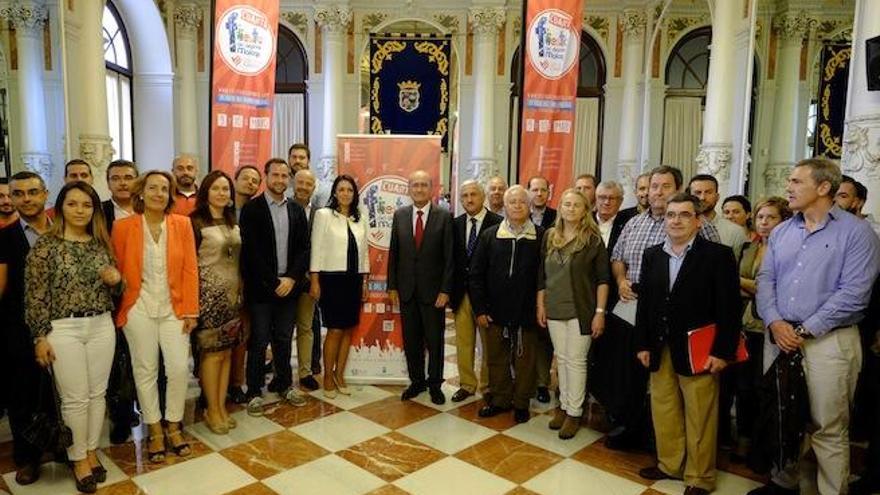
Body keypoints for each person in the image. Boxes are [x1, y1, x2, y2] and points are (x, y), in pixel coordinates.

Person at [751, 158, 880, 495]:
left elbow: (854, 294)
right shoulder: (781, 231)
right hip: (779, 337)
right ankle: (786, 485)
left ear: (823, 188)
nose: (788, 187)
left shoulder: (857, 233)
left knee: (827, 426)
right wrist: (776, 322)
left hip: (828, 341)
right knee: (785, 419)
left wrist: (803, 331)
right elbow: (766, 281)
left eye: (796, 181)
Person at [605, 165, 721, 451]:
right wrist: (620, 280)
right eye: (653, 186)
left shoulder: (697, 224)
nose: (657, 192)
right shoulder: (634, 222)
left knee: (682, 390)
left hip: (679, 319)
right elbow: (617, 256)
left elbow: (714, 275)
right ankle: (636, 431)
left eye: (665, 186)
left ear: (678, 190)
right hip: (632, 307)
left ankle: (674, 449)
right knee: (635, 377)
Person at [634, 193, 741, 495]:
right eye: (670, 215)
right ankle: (670, 464)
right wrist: (642, 343)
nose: (676, 220)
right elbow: (646, 305)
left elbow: (729, 308)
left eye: (683, 214)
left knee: (700, 414)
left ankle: (699, 477)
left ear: (697, 220)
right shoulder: (653, 254)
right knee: (663, 408)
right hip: (659, 345)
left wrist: (723, 351)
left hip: (699, 350)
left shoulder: (717, 255)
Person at [26, 181, 121, 493]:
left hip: (101, 325)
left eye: (86, 205)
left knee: (97, 394)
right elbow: (35, 296)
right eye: (73, 204)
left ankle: (91, 450)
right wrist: (39, 336)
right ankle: (77, 458)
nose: (80, 210)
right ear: (61, 207)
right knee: (75, 398)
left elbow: (118, 288)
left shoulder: (100, 244)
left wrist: (115, 280)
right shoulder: (46, 246)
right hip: (63, 329)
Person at [111, 170, 199, 464]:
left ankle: (174, 425)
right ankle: (155, 430)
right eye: (153, 188)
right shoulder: (122, 227)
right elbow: (118, 269)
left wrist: (191, 310)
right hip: (139, 307)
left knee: (176, 369)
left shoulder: (182, 224)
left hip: (174, 308)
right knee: (144, 370)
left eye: (165, 189)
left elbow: (190, 269)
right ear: (141, 192)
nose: (159, 193)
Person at [239, 158, 310, 415]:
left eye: (284, 176)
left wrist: (291, 278)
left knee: (283, 338)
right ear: (266, 177)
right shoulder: (252, 209)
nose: (280, 180)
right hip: (261, 288)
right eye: (275, 175)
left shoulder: (296, 210)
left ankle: (283, 383)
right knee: (258, 340)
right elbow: (251, 253)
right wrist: (273, 282)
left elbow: (304, 248)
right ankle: (255, 390)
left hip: (289, 287)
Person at [537, 189, 609, 439]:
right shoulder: (549, 236)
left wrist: (600, 312)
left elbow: (603, 279)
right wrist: (540, 304)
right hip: (554, 307)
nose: (570, 208)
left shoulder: (592, 239)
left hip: (582, 310)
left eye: (576, 205)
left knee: (576, 361)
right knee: (562, 360)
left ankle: (575, 413)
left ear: (585, 210)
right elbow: (542, 277)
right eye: (566, 204)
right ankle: (564, 406)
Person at [470, 185, 543, 423]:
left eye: (522, 201)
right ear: (505, 205)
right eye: (512, 202)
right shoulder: (490, 235)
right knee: (497, 358)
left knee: (525, 360)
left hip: (527, 312)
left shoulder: (542, 236)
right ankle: (500, 400)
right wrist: (480, 309)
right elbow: (476, 275)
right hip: (494, 312)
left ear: (529, 205)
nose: (518, 206)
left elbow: (546, 277)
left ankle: (521, 403)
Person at [0, 171, 52, 485]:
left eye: (33, 192)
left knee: (63, 394)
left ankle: (63, 448)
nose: (27, 199)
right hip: (18, 329)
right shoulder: (5, 237)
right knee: (22, 395)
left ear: (46, 194)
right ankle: (27, 458)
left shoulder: (65, 230)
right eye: (19, 194)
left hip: (65, 325)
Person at [388, 170, 453, 405]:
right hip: (406, 291)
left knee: (435, 341)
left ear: (431, 188)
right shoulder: (400, 215)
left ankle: (435, 385)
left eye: (424, 185)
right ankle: (416, 382)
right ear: (409, 188)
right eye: (415, 185)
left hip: (434, 293)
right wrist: (392, 286)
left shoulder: (444, 216)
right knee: (411, 341)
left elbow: (449, 259)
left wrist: (446, 290)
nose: (419, 189)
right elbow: (394, 253)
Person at [733, 197, 792, 461]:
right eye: (761, 217)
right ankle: (744, 441)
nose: (765, 223)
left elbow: (770, 288)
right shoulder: (749, 247)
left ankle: (764, 448)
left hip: (773, 327)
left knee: (766, 389)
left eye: (772, 218)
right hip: (745, 324)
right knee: (744, 388)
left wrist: (742, 282)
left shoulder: (790, 250)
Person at [190, 171, 242, 435]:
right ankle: (211, 409)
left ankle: (221, 407)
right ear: (206, 192)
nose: (222, 193)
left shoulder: (233, 220)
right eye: (216, 189)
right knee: (211, 355)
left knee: (227, 353)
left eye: (226, 189)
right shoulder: (195, 222)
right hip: (208, 298)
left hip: (233, 298)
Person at [310, 175, 370, 398]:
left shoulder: (360, 218)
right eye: (341, 189)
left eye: (350, 190)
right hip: (331, 279)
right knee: (334, 329)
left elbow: (364, 253)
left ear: (355, 195)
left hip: (353, 280)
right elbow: (316, 249)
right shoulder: (324, 215)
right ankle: (327, 376)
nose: (345, 193)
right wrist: (315, 280)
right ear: (335, 192)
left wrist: (364, 282)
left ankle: (340, 374)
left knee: (347, 329)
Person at [450, 180, 502, 402]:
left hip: (488, 295)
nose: (469, 199)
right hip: (461, 293)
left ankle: (487, 386)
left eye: (473, 194)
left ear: (483, 197)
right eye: (465, 196)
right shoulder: (455, 224)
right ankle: (467, 384)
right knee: (463, 342)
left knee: (489, 344)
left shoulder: (498, 223)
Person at [227, 165, 262, 404]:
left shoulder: (257, 210)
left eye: (255, 180)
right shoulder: (221, 209)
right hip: (219, 283)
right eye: (245, 178)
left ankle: (237, 383)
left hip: (249, 282)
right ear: (235, 179)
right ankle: (211, 385)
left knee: (242, 336)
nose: (250, 183)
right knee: (214, 338)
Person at [528, 175, 557, 403]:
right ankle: (522, 380)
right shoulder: (519, 214)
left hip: (549, 284)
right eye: (535, 189)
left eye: (542, 190)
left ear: (549, 193)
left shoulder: (557, 217)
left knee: (544, 338)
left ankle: (542, 383)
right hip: (524, 285)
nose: (538, 194)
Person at [291, 169, 320, 391]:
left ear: (314, 187)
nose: (303, 187)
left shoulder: (320, 213)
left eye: (308, 184)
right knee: (280, 331)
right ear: (293, 183)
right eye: (299, 182)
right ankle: (281, 374)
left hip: (309, 279)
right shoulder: (282, 207)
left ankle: (305, 372)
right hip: (284, 279)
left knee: (306, 327)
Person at [688, 174, 747, 259]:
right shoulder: (678, 227)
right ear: (689, 196)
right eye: (697, 193)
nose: (702, 197)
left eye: (708, 192)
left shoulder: (735, 231)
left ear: (717, 197)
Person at [594, 181, 638, 251]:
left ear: (620, 201)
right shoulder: (585, 221)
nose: (606, 202)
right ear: (596, 199)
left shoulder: (629, 223)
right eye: (602, 197)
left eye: (611, 198)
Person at [103, 160, 139, 231]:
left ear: (137, 182)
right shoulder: (99, 211)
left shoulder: (149, 208)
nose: (122, 183)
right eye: (115, 179)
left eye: (128, 178)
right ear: (108, 184)